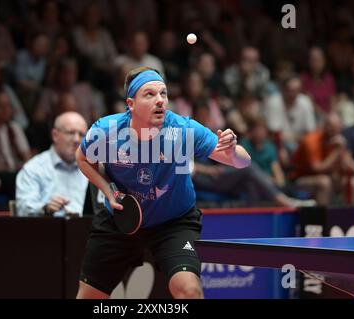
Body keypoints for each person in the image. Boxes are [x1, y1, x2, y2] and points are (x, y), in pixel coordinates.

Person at [75, 67, 251, 299]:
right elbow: (82, 158)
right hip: (121, 221)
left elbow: (242, 161)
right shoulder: (107, 131)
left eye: (163, 94)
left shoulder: (182, 129)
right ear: (131, 104)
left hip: (173, 222)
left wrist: (232, 150)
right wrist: (107, 189)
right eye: (149, 94)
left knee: (189, 291)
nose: (160, 100)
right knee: (89, 297)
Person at [16, 112, 89, 217]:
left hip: (87, 230)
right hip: (48, 230)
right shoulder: (33, 168)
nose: (76, 139)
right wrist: (45, 208)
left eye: (82, 135)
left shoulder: (93, 169)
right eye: (70, 133)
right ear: (55, 135)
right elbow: (23, 210)